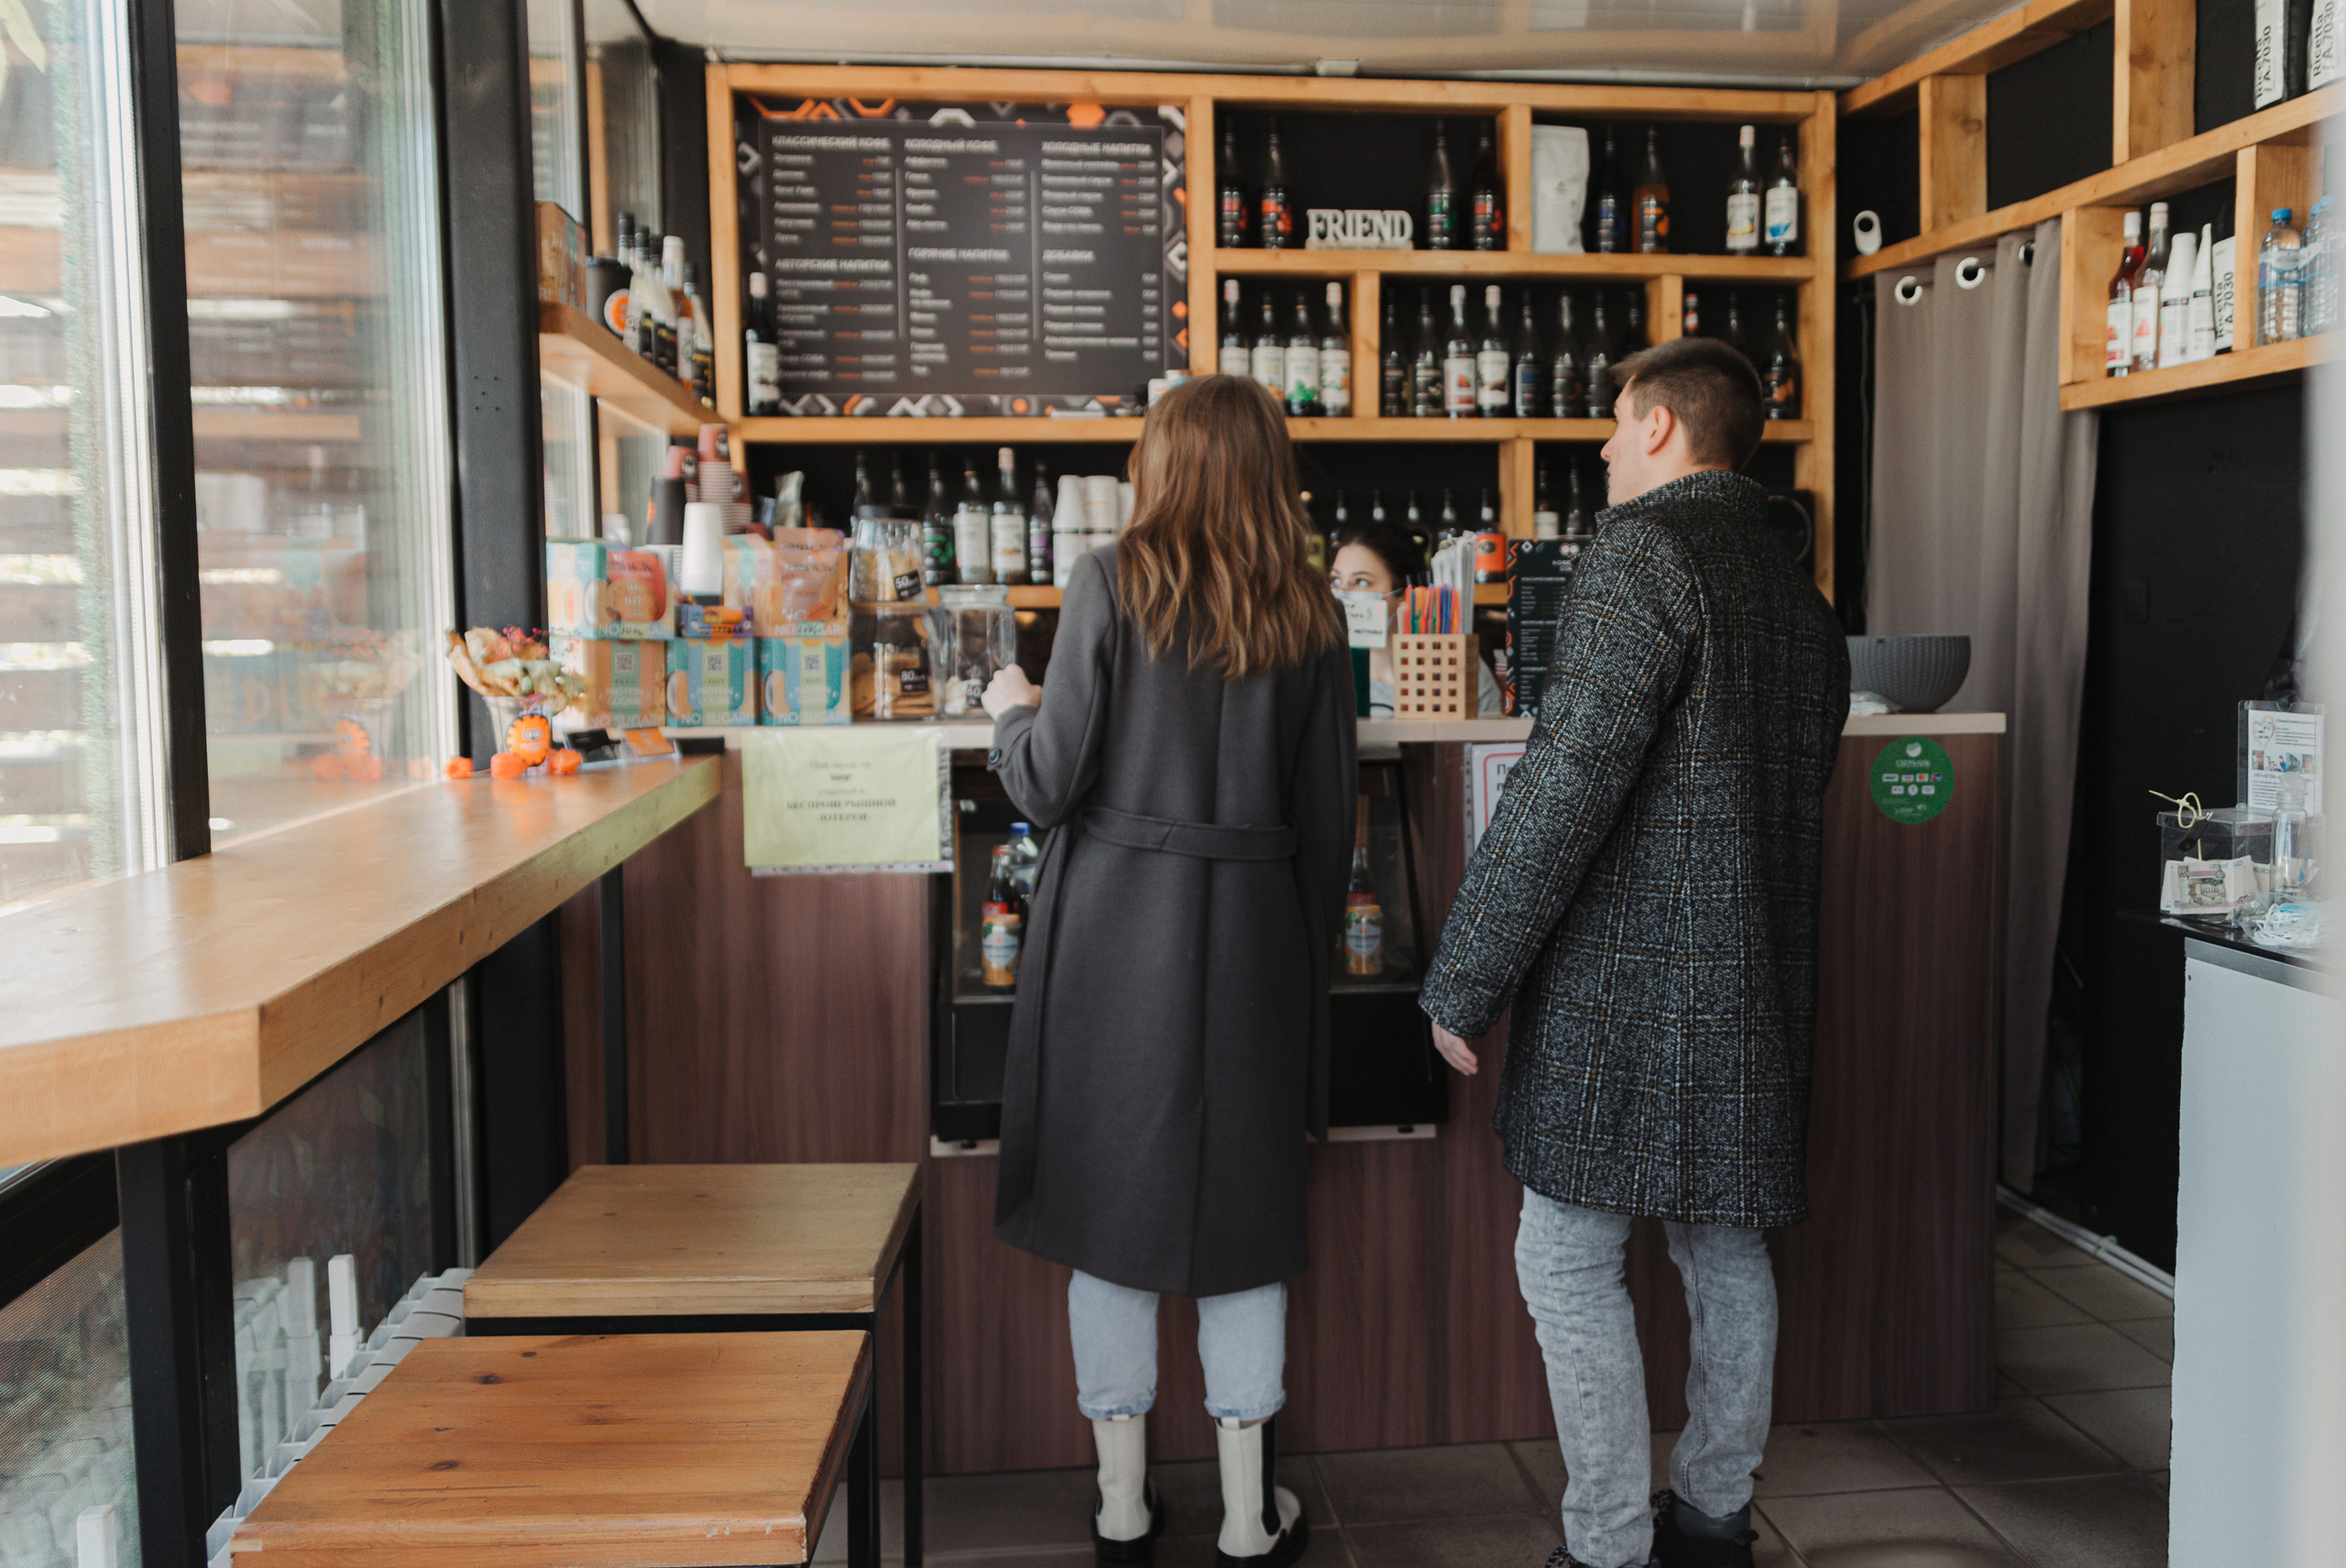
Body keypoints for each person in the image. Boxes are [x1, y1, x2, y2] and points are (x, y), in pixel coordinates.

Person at [1416, 337, 1849, 1568]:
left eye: (1614, 421)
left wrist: (1466, 976)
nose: (1603, 443)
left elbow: (1562, 787)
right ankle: (1713, 1518)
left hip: (1624, 990)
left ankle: (1607, 1542)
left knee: (1563, 1250)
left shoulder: (1639, 555)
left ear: (1661, 427)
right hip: (1755, 976)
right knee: (1724, 1241)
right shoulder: (1798, 598)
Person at [981, 373, 1355, 1568]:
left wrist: (1006, 708)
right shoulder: (1313, 611)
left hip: (1113, 942)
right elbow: (1329, 824)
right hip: (1256, 937)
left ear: (1160, 464)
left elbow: (1047, 782)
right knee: (1246, 1218)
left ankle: (1125, 1504)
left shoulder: (1109, 582)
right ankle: (1250, 1517)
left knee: (1112, 1209)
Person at [1326, 519, 1505, 715]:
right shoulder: (1327, 673)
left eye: (1361, 582)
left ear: (1404, 595)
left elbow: (1492, 742)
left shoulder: (1456, 665)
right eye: (1336, 580)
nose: (1341, 593)